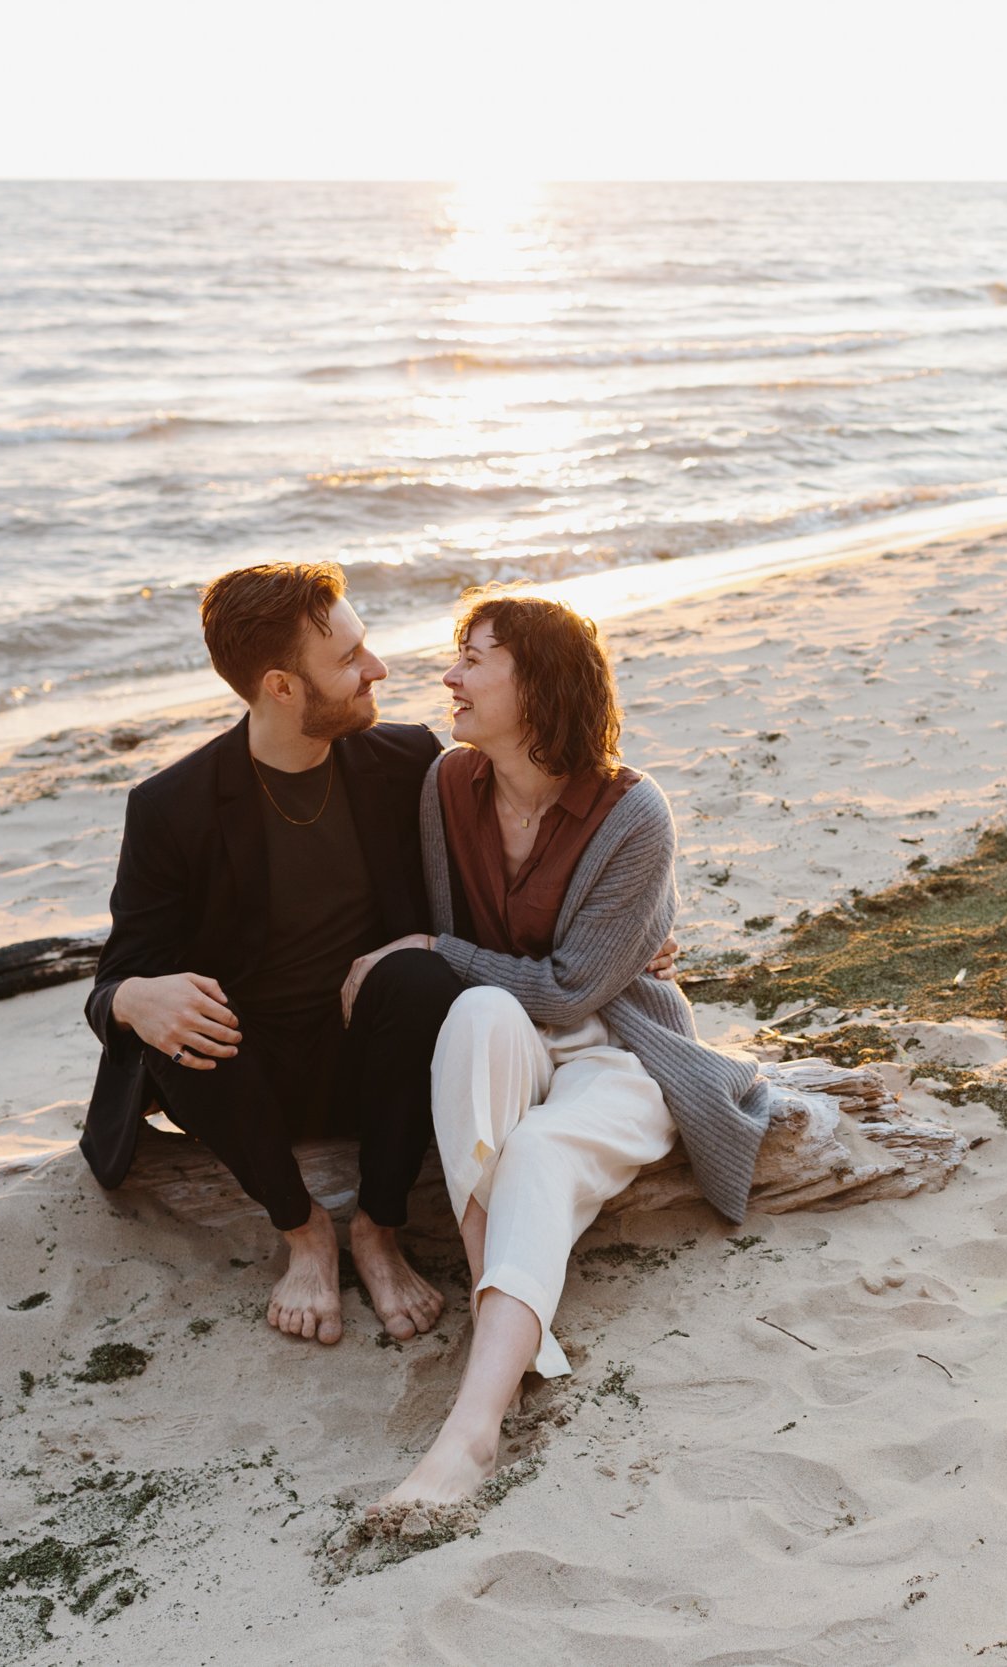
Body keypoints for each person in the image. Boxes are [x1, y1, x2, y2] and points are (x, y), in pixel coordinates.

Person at [81, 562, 679, 1347]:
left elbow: (504, 883)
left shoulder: (406, 763)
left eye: (366, 645)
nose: (379, 669)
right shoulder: (171, 807)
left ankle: (377, 1225)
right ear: (282, 687)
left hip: (383, 1064)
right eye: (349, 659)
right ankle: (302, 1232)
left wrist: (630, 939)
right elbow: (118, 974)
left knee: (420, 973)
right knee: (180, 1012)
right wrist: (131, 1000)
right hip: (246, 1074)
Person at [360, 589, 777, 1514]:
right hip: (507, 1033)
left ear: (539, 683)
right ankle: (509, 1336)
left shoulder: (634, 814)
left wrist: (432, 952)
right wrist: (443, 952)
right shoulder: (447, 787)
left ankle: (472, 1426)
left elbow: (569, 987)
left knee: (540, 1149)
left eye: (475, 657)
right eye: (455, 655)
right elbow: (469, 946)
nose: (450, 676)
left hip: (619, 1044)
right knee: (470, 1017)